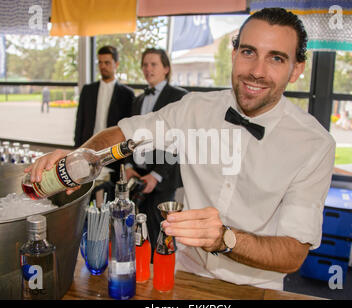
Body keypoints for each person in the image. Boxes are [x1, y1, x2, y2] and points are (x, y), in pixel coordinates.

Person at [26, 8, 335, 290]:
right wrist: (75, 158)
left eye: (276, 58)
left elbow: (293, 253)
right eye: (249, 51)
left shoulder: (314, 145)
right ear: (235, 53)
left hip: (256, 288)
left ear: (296, 69)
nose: (256, 70)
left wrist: (225, 239)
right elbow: (124, 132)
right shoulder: (194, 108)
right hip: (181, 273)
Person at [125, 48, 187, 259]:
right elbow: (129, 136)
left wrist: (156, 175)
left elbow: (178, 141)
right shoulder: (138, 100)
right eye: (145, 64)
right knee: (138, 230)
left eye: (154, 64)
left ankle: (164, 273)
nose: (148, 69)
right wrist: (129, 167)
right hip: (138, 174)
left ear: (166, 68)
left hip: (163, 176)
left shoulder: (179, 97)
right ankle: (144, 273)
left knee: (161, 230)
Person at [74, 45, 135, 192]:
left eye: (107, 63)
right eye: (100, 62)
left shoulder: (127, 94)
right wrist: (77, 151)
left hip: (114, 155)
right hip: (88, 152)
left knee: (110, 197)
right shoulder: (88, 90)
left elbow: (128, 129)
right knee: (86, 193)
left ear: (116, 64)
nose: (103, 66)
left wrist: (126, 162)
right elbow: (79, 122)